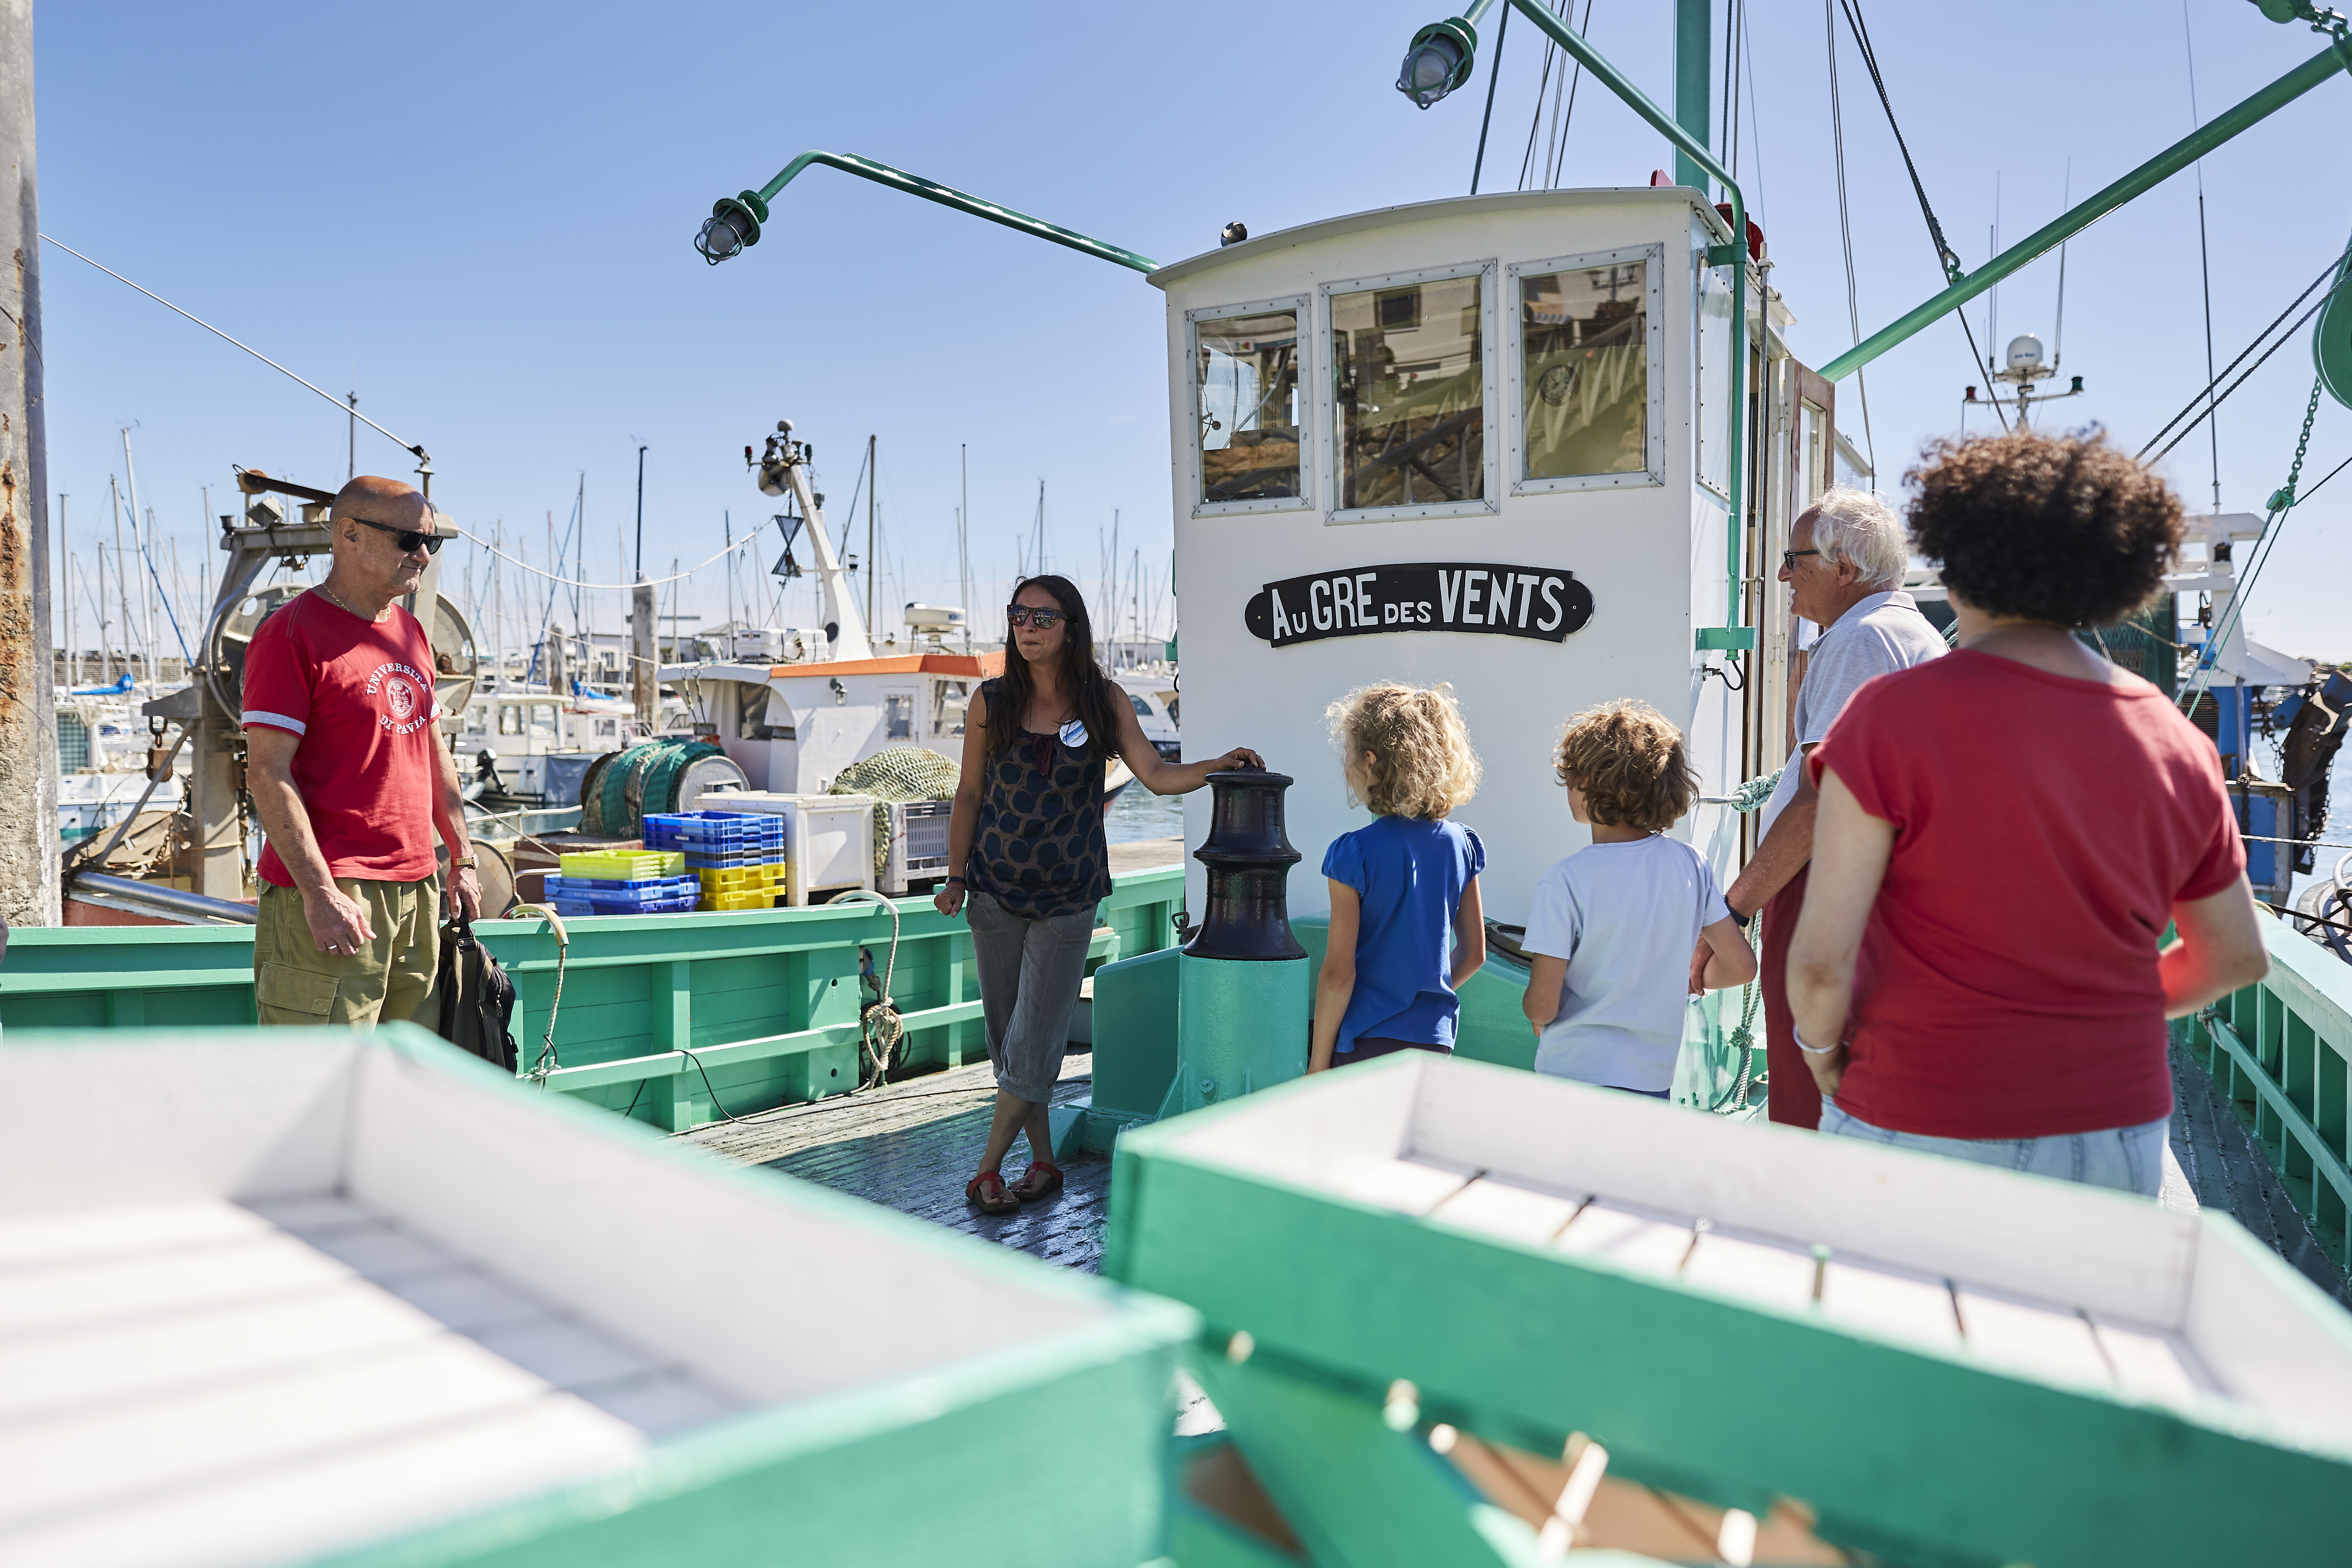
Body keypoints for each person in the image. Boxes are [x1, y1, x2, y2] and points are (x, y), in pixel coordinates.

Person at [1787, 430, 2270, 1195]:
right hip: (2113, 1128)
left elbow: (1819, 965)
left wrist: (1821, 1055)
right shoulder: (2177, 743)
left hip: (1916, 1109)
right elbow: (2236, 957)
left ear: (1955, 560)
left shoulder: (1888, 719)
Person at [936, 575, 1262, 1216]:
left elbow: (1157, 775)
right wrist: (955, 876)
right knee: (1010, 1042)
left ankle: (987, 1169)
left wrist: (1217, 766)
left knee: (1033, 1043)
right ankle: (1043, 1161)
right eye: (1019, 616)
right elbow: (969, 794)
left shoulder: (1104, 702)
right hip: (995, 892)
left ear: (1072, 628)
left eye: (1043, 618)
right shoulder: (990, 702)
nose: (1028, 628)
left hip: (1069, 895)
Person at [1694, 488, 1944, 1129]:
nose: (1782, 575)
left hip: (1827, 891)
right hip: (1884, 899)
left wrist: (1736, 908)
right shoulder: (1906, 634)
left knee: (1808, 1098)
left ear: (1845, 569)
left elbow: (1824, 794)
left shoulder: (1861, 639)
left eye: (1793, 559)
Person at [244, 476, 481, 1026]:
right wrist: (320, 894)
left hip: (416, 889)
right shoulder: (290, 635)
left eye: (431, 541)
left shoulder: (410, 633)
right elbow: (267, 772)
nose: (422, 554)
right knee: (319, 1085)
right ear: (349, 534)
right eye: (407, 539)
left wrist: (462, 859)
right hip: (334, 892)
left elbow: (432, 750)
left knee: (401, 1076)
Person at [1524, 701, 1756, 1097]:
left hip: (1573, 1074)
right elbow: (1741, 967)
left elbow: (1542, 1007)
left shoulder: (1564, 881)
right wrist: (1685, 978)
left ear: (1588, 783)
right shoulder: (1691, 865)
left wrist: (1534, 1009)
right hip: (1651, 1079)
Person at [1308, 684, 1486, 1073]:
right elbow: (1474, 953)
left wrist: (1318, 1064)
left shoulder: (1354, 854)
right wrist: (1418, 1002)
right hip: (1434, 1040)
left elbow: (1339, 975)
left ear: (1370, 762)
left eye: (1349, 754)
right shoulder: (1462, 845)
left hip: (1366, 1041)